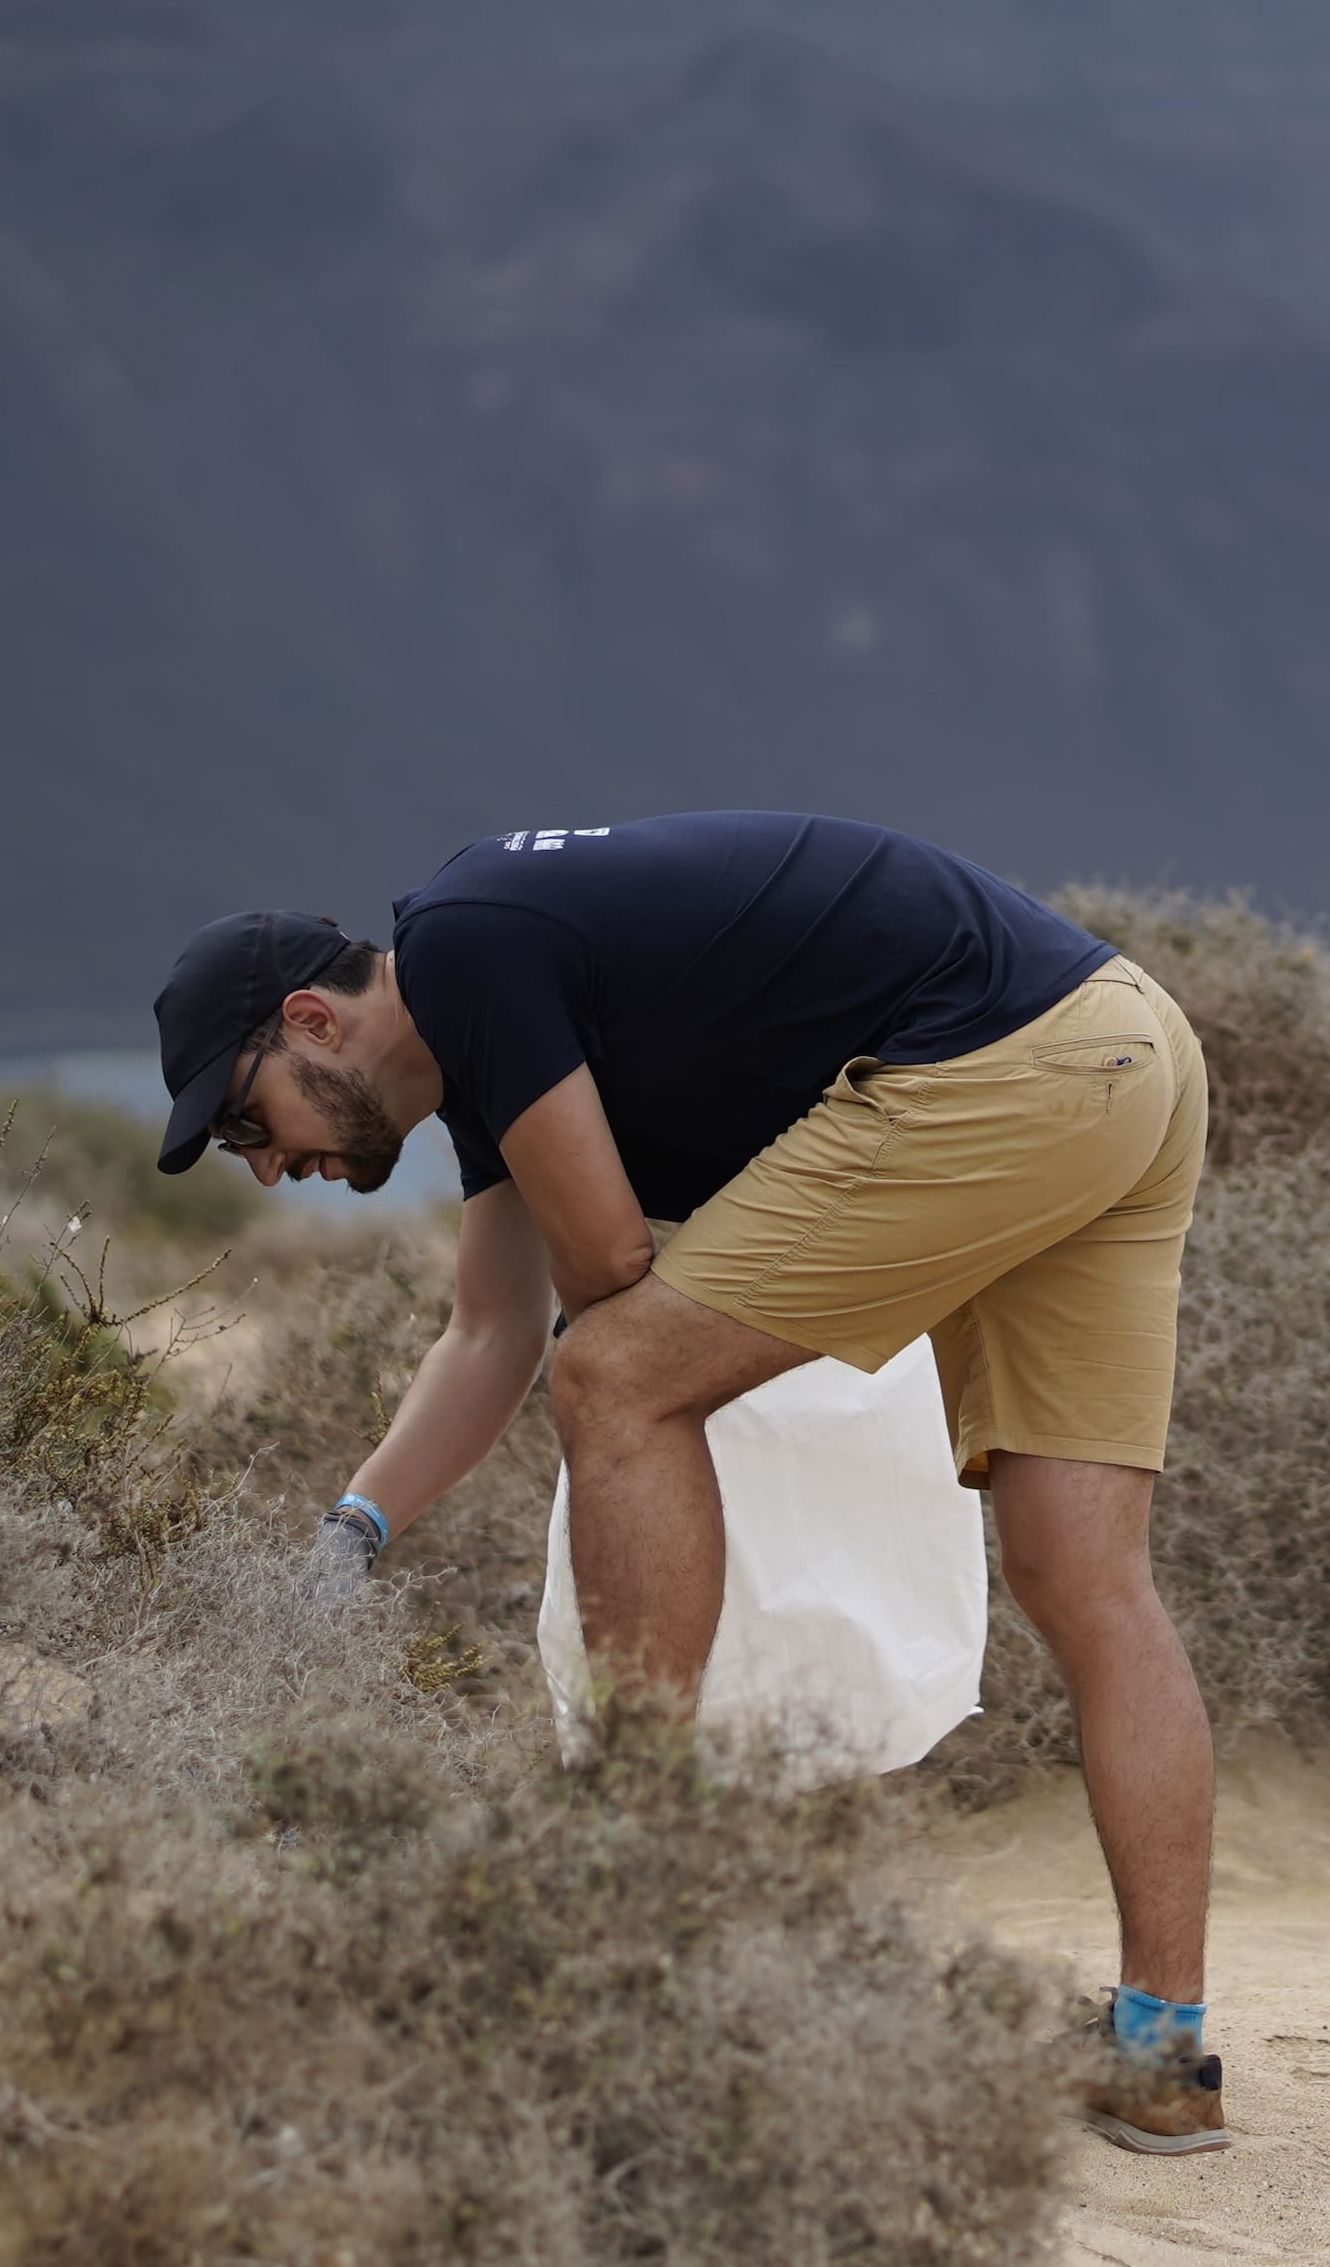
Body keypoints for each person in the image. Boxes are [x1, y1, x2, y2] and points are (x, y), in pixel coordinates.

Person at [146, 815, 1233, 2151]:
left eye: (247, 1118)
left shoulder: (466, 940)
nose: (267, 1166)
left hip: (1012, 1062)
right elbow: (486, 1335)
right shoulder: (490, 1023)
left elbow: (603, 1270)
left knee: (613, 1375)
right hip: (1127, 1048)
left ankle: (636, 1895)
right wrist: (353, 1530)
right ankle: (1161, 2049)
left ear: (313, 1018)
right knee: (1087, 1577)